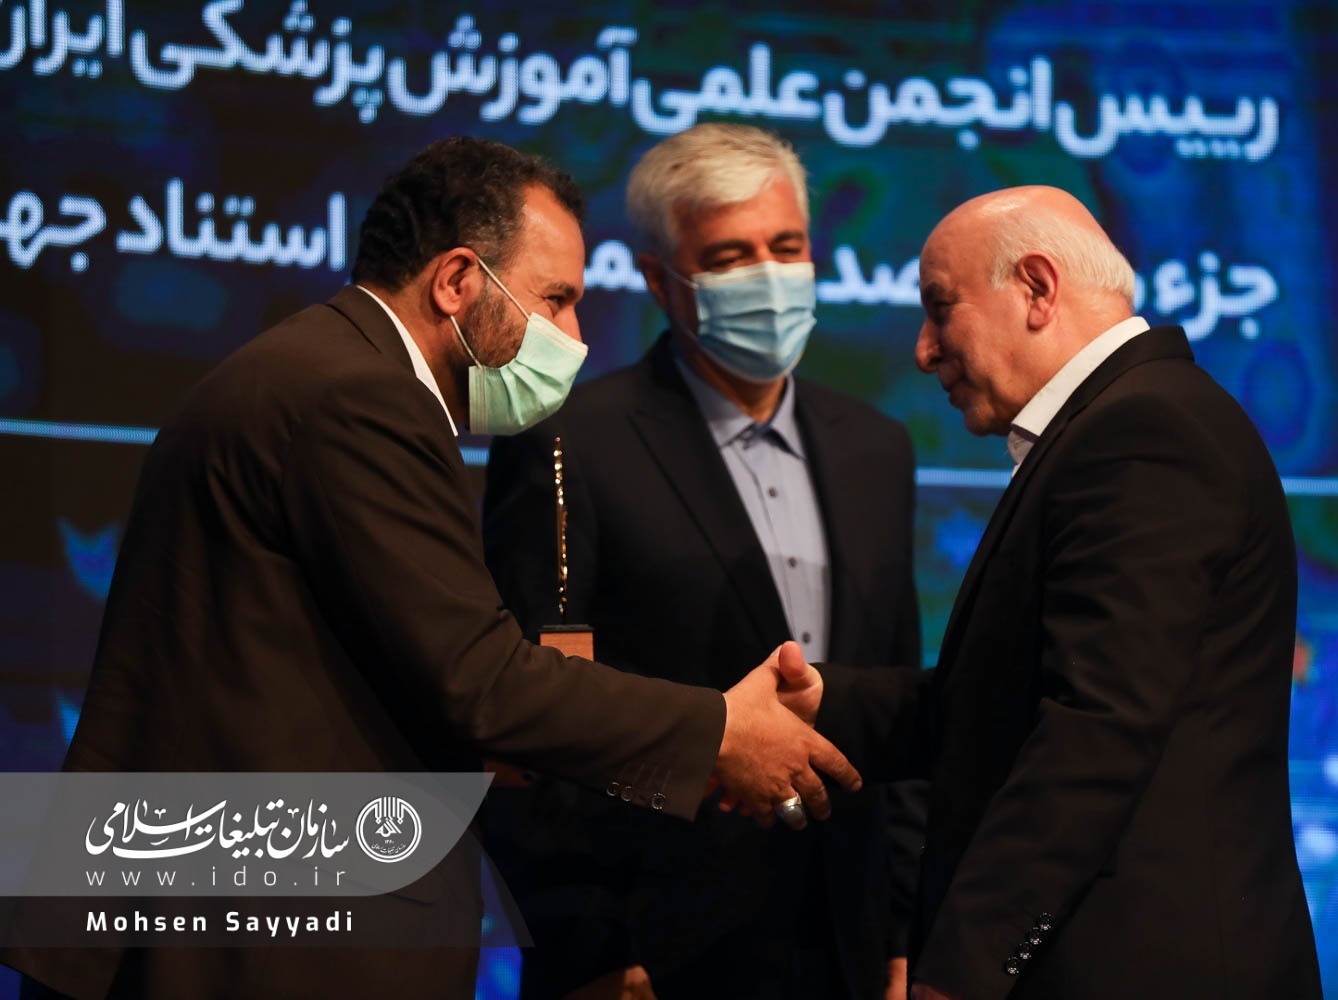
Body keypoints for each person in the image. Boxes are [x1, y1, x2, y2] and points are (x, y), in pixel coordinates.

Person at [0, 137, 859, 1000]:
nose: (572, 338)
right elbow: (481, 681)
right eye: (556, 300)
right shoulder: (360, 396)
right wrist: (720, 731)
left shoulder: (314, 366)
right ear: (456, 281)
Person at [778, 186, 1322, 999]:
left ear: (1036, 288)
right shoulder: (1117, 427)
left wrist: (964, 971)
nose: (923, 351)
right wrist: (820, 704)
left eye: (940, 308)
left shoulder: (1146, 435)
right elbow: (1003, 703)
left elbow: (1094, 729)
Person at [482, 122, 924, 1000]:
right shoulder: (570, 441)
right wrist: (588, 947)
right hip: (655, 953)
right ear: (660, 282)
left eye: (786, 248)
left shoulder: (877, 447)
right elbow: (523, 718)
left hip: (847, 944)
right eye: (729, 257)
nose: (768, 275)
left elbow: (901, 703)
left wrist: (908, 930)